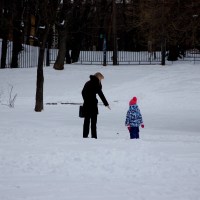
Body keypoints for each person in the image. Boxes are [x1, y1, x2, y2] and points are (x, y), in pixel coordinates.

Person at [82, 72, 110, 139]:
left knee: (86, 121)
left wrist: (86, 100)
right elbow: (100, 94)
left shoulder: (88, 82)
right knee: (93, 122)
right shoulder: (96, 83)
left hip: (86, 104)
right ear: (98, 77)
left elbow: (83, 92)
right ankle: (94, 136)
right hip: (93, 105)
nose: (101, 80)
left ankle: (85, 136)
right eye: (101, 79)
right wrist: (106, 104)